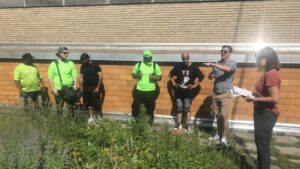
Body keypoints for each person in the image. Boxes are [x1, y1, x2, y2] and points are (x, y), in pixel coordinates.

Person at [245, 47, 281, 169]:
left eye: (258, 58)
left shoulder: (271, 74)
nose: (257, 61)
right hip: (261, 112)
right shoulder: (268, 73)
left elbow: (274, 98)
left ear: (266, 59)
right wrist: (250, 93)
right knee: (259, 143)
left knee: (263, 146)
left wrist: (254, 99)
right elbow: (264, 94)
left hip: (267, 114)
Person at [204, 45, 237, 147]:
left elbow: (227, 69)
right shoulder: (217, 64)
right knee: (218, 117)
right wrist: (211, 75)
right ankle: (218, 134)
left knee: (224, 116)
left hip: (226, 94)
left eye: (225, 51)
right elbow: (211, 76)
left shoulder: (232, 63)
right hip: (216, 93)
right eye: (222, 51)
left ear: (229, 53)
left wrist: (213, 64)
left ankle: (224, 138)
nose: (223, 52)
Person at [169, 52, 204, 132]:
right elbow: (170, 75)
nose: (185, 60)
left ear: (189, 57)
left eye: (186, 58)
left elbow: (201, 77)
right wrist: (174, 83)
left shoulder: (194, 67)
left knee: (187, 109)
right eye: (183, 58)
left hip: (188, 92)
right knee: (179, 108)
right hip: (178, 92)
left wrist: (195, 85)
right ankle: (179, 125)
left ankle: (188, 126)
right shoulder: (178, 66)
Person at [132, 50, 162, 124]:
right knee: (138, 108)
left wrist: (154, 78)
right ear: (144, 57)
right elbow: (133, 75)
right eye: (148, 58)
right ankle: (138, 125)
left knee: (150, 109)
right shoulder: (138, 65)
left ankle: (149, 125)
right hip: (139, 90)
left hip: (151, 91)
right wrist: (137, 76)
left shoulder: (155, 65)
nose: (150, 59)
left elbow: (160, 77)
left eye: (150, 57)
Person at [48, 46, 78, 114]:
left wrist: (75, 85)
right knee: (59, 106)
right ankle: (59, 121)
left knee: (71, 107)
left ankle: (70, 121)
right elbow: (50, 78)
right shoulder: (54, 64)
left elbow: (74, 75)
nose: (66, 54)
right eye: (64, 53)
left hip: (69, 88)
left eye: (67, 53)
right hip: (59, 89)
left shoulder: (70, 63)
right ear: (59, 53)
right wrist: (53, 88)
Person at [79, 53, 103, 124]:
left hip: (94, 88)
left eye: (84, 60)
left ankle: (98, 118)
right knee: (88, 104)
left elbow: (101, 77)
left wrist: (98, 87)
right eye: (82, 61)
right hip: (86, 88)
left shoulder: (95, 66)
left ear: (88, 59)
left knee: (96, 103)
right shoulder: (82, 66)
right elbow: (81, 77)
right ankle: (91, 118)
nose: (83, 62)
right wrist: (81, 88)